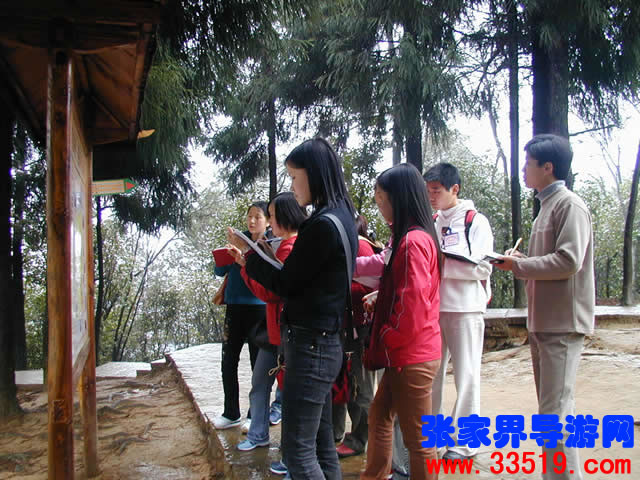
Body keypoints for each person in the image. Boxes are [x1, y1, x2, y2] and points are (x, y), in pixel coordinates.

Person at [229, 138, 357, 480]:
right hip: (325, 342)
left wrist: (250, 256)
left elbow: (286, 284)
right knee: (322, 447)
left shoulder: (322, 225)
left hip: (311, 346)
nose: (292, 185)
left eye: (294, 176)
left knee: (298, 453)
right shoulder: (342, 216)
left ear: (313, 174)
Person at [495, 134, 594, 480]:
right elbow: (550, 261)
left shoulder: (569, 205)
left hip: (562, 323)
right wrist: (520, 260)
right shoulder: (546, 208)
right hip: (544, 322)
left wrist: (520, 265)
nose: (523, 170)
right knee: (556, 411)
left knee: (554, 414)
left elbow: (569, 261)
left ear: (547, 167)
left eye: (528, 164)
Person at [361, 163, 442, 480]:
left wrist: (386, 336)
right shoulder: (411, 238)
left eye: (382, 199)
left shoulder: (413, 243)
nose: (380, 207)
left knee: (419, 442)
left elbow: (413, 308)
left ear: (399, 198)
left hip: (411, 355)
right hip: (407, 353)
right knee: (380, 415)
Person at [227, 193, 307, 455]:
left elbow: (270, 292)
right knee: (261, 385)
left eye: (271, 216)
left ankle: (289, 453)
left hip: (283, 333)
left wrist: (246, 265)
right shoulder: (289, 244)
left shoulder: (289, 248)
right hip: (275, 332)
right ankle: (259, 435)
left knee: (282, 392)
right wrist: (244, 262)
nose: (270, 222)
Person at [424, 162, 494, 461]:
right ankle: (435, 439)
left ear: (455, 189)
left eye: (436, 191)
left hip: (466, 309)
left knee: (467, 375)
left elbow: (482, 267)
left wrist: (441, 265)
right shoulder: (431, 221)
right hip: (434, 309)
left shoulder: (475, 221)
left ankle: (466, 443)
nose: (431, 197)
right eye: (428, 192)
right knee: (432, 375)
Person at [213, 202, 269, 430]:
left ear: (268, 221)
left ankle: (255, 414)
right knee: (228, 360)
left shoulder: (270, 244)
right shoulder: (239, 239)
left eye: (258, 216)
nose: (252, 221)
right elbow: (219, 271)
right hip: (234, 307)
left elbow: (266, 272)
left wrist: (244, 252)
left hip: (259, 308)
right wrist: (226, 254)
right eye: (249, 216)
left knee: (258, 364)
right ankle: (230, 413)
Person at [333, 215, 380, 457]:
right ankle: (340, 434)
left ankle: (361, 440)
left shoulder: (360, 246)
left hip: (360, 328)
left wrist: (335, 286)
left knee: (361, 389)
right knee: (344, 385)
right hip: (344, 327)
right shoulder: (343, 245)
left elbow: (370, 287)